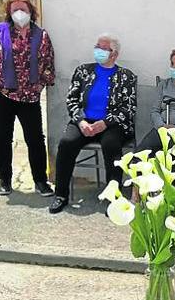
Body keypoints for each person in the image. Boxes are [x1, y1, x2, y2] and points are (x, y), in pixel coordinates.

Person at [49, 34, 137, 214]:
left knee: (111, 145)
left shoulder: (126, 76)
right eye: (97, 46)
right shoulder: (83, 71)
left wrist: (105, 123)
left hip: (112, 124)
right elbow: (71, 100)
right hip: (84, 121)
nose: (98, 50)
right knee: (66, 143)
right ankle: (61, 195)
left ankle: (113, 198)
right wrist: (81, 121)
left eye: (103, 48)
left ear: (114, 54)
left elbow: (129, 108)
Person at [0, 0, 55, 196]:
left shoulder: (41, 35)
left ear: (31, 12)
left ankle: (40, 181)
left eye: (23, 8)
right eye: (15, 9)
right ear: (9, 13)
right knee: (3, 137)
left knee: (35, 139)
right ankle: (4, 180)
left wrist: (40, 85)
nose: (19, 13)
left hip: (30, 97)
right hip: (2, 95)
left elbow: (48, 63)